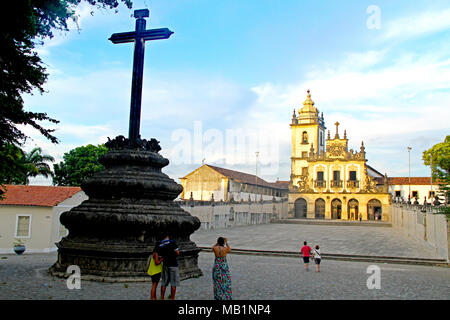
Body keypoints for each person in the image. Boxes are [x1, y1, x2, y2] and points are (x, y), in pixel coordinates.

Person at [157, 234, 180, 300]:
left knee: (164, 282)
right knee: (173, 283)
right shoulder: (172, 242)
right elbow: (177, 253)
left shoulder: (161, 245)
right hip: (173, 265)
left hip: (165, 265)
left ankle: (162, 297)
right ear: (167, 236)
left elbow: (161, 257)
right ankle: (172, 298)